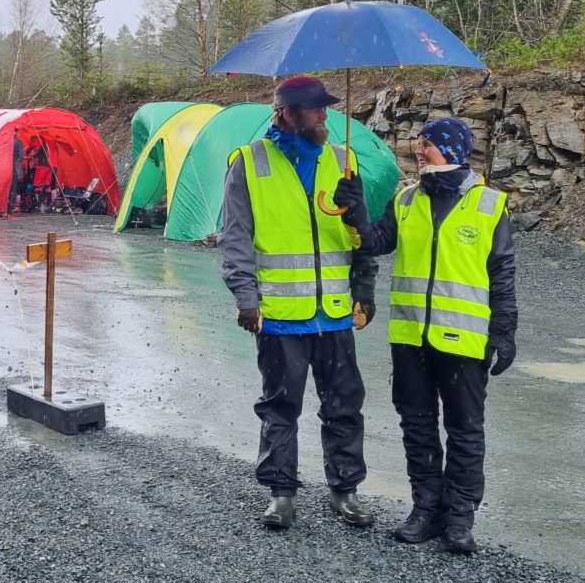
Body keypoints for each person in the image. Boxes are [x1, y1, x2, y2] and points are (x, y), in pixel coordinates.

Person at [333, 117, 516, 554]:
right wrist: (355, 211)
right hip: (411, 338)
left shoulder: (490, 204)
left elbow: (503, 274)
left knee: (465, 431)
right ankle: (426, 510)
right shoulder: (406, 199)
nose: (419, 148)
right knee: (417, 426)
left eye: (427, 143)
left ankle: (460, 519)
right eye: (418, 141)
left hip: (465, 341)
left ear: (451, 149)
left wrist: (504, 331)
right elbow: (373, 243)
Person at [219, 75, 378, 531]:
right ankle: (281, 493)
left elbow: (362, 238)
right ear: (289, 113)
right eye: (316, 109)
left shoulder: (343, 159)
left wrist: (364, 288)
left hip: (335, 313)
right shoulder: (249, 163)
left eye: (326, 108)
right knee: (280, 407)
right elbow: (235, 237)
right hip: (281, 315)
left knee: (344, 405)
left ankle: (344, 490)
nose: (326, 116)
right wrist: (246, 297)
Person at [8, 130, 25, 214]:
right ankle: (9, 210)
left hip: (7, 168)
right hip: (13, 169)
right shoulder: (18, 142)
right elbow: (20, 156)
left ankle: (8, 209)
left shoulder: (5, 142)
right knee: (13, 189)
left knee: (10, 189)